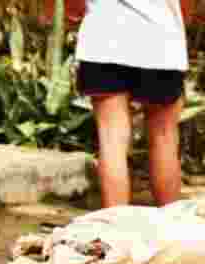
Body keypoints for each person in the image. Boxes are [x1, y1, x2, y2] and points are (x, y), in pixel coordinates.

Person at [74, 0, 188, 208]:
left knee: (111, 139)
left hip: (104, 39)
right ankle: (173, 225)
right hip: (160, 41)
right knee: (164, 137)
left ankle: (115, 230)